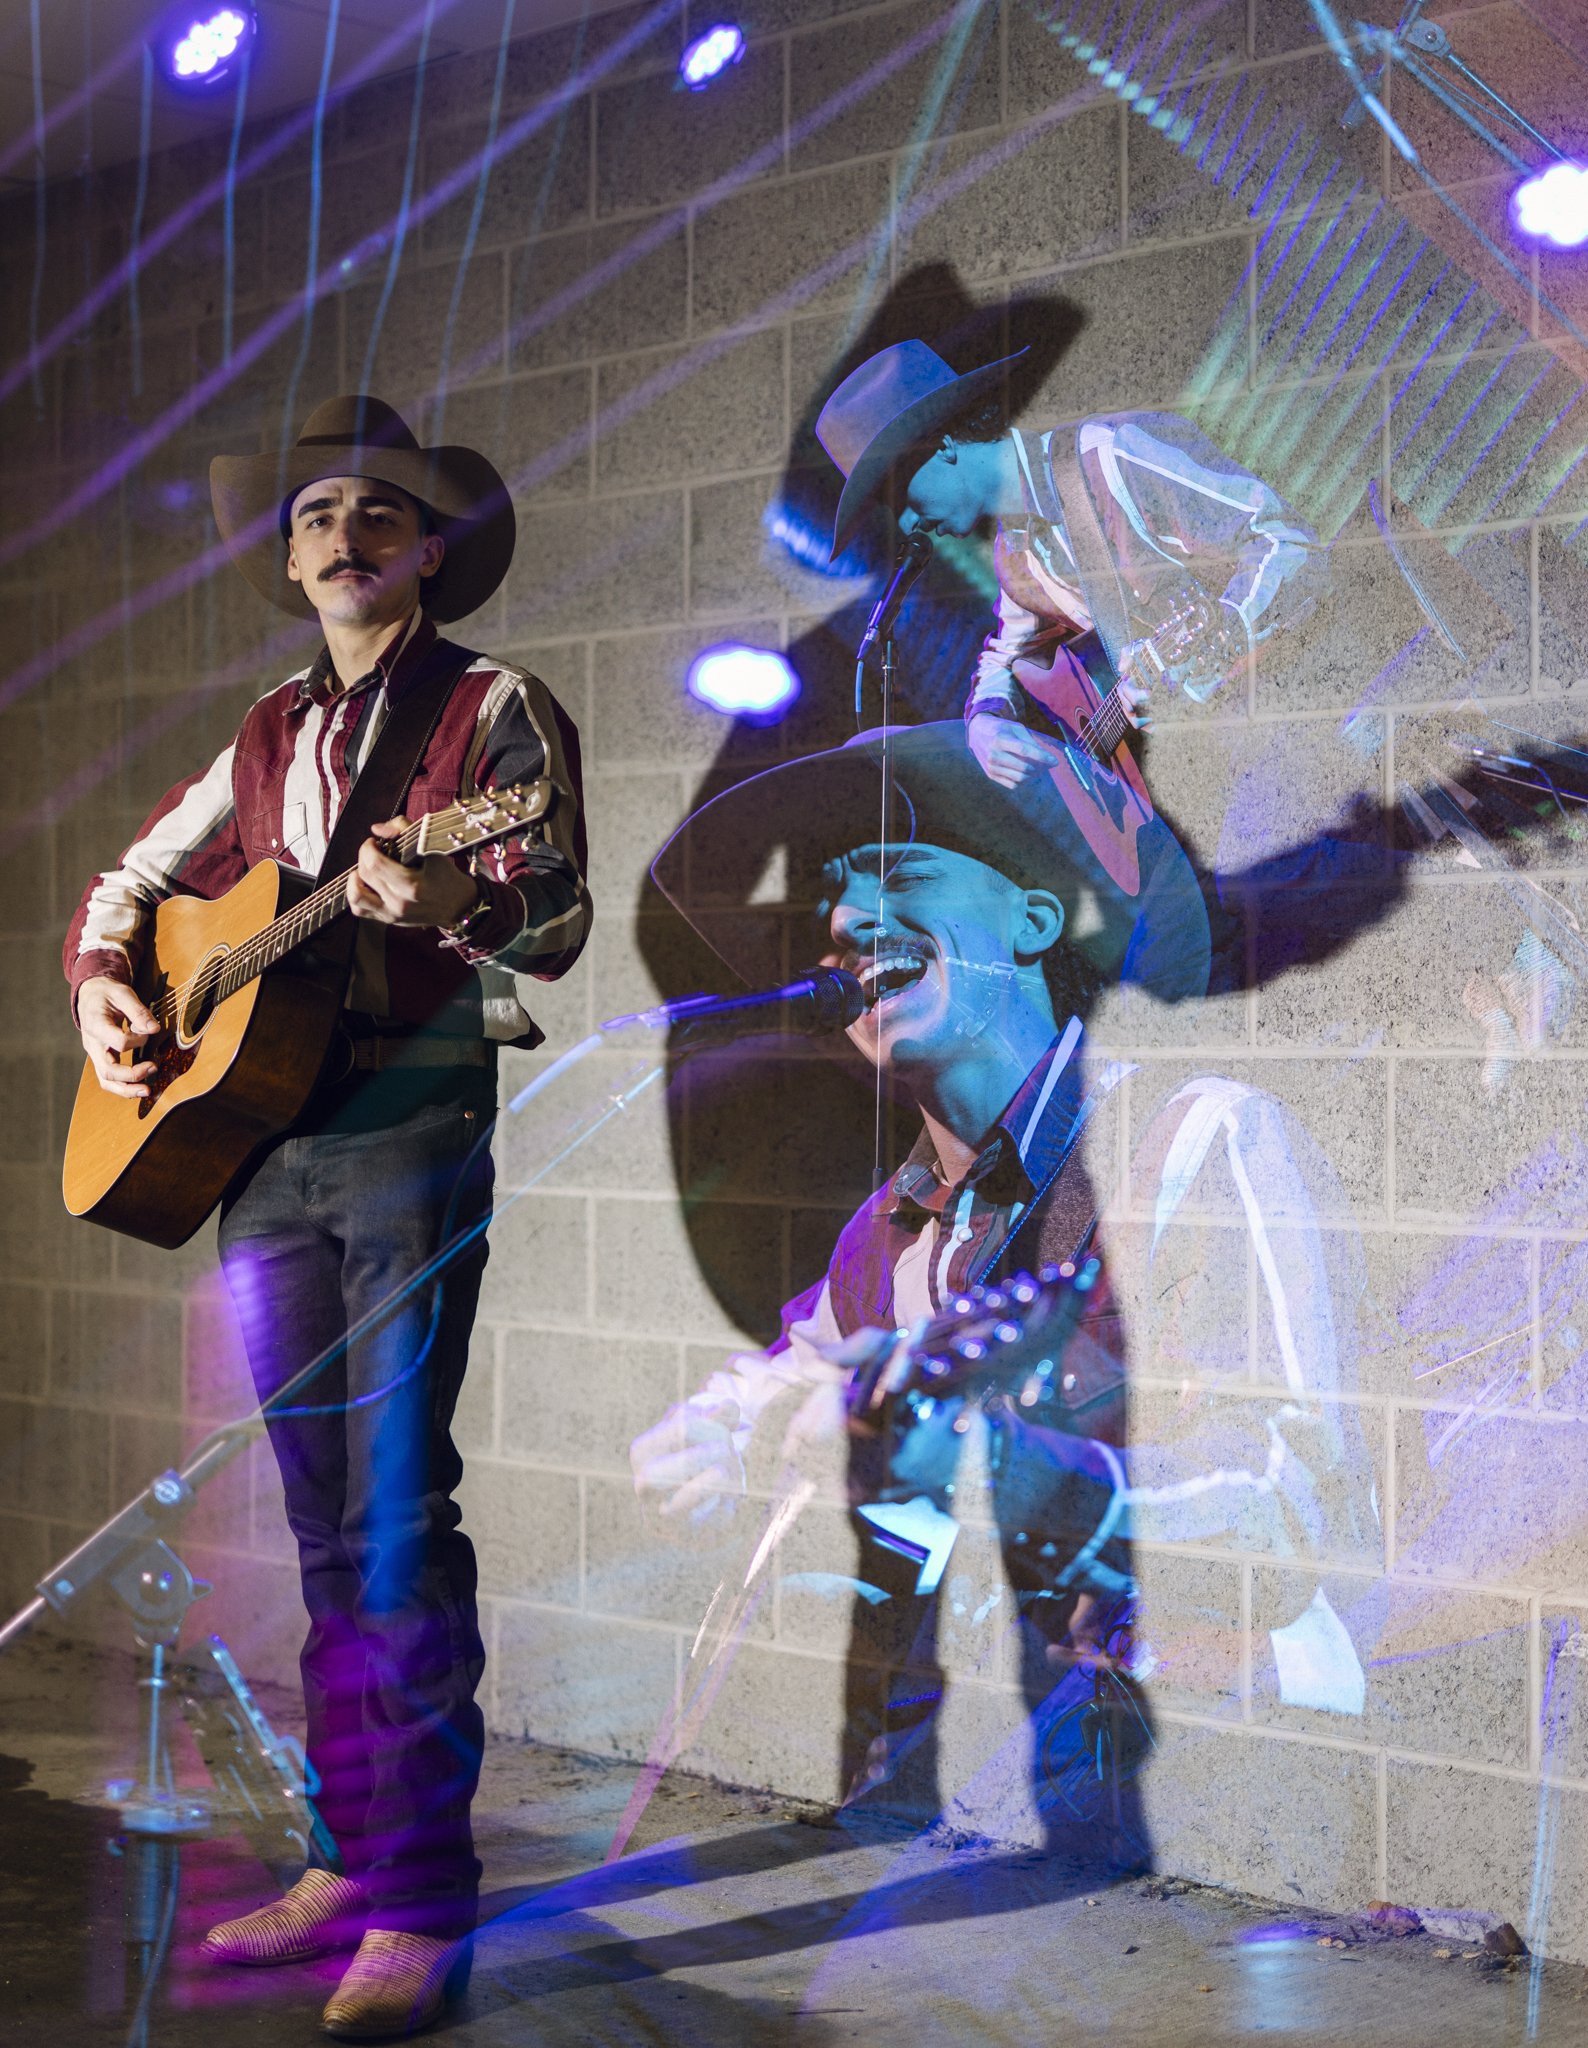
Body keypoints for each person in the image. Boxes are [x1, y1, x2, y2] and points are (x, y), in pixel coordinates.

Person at [64, 396, 591, 2041]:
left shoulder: (490, 709)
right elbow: (125, 894)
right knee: (313, 1526)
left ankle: (424, 1899)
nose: (340, 536)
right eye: (312, 517)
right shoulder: (261, 740)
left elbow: (556, 908)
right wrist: (109, 994)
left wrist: (455, 894)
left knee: (389, 1518)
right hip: (260, 1151)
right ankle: (352, 1858)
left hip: (406, 1124)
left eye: (376, 513)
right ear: (291, 560)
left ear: (428, 549)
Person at [630, 724, 1376, 1849]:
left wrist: (995, 1474)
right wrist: (724, 1436)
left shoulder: (1198, 1142)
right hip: (970, 1827)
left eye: (905, 870)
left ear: (1033, 918)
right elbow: (795, 1387)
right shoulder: (882, 1234)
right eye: (837, 893)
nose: (848, 919)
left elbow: (1298, 1504)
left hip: (1222, 1813)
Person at [815, 339, 1330, 792]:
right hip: (1235, 748)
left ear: (943, 446)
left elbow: (1284, 540)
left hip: (1310, 686)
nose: (908, 525)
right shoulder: (1015, 558)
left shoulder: (1109, 459)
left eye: (898, 494)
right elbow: (1002, 659)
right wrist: (984, 724)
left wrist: (1217, 646)